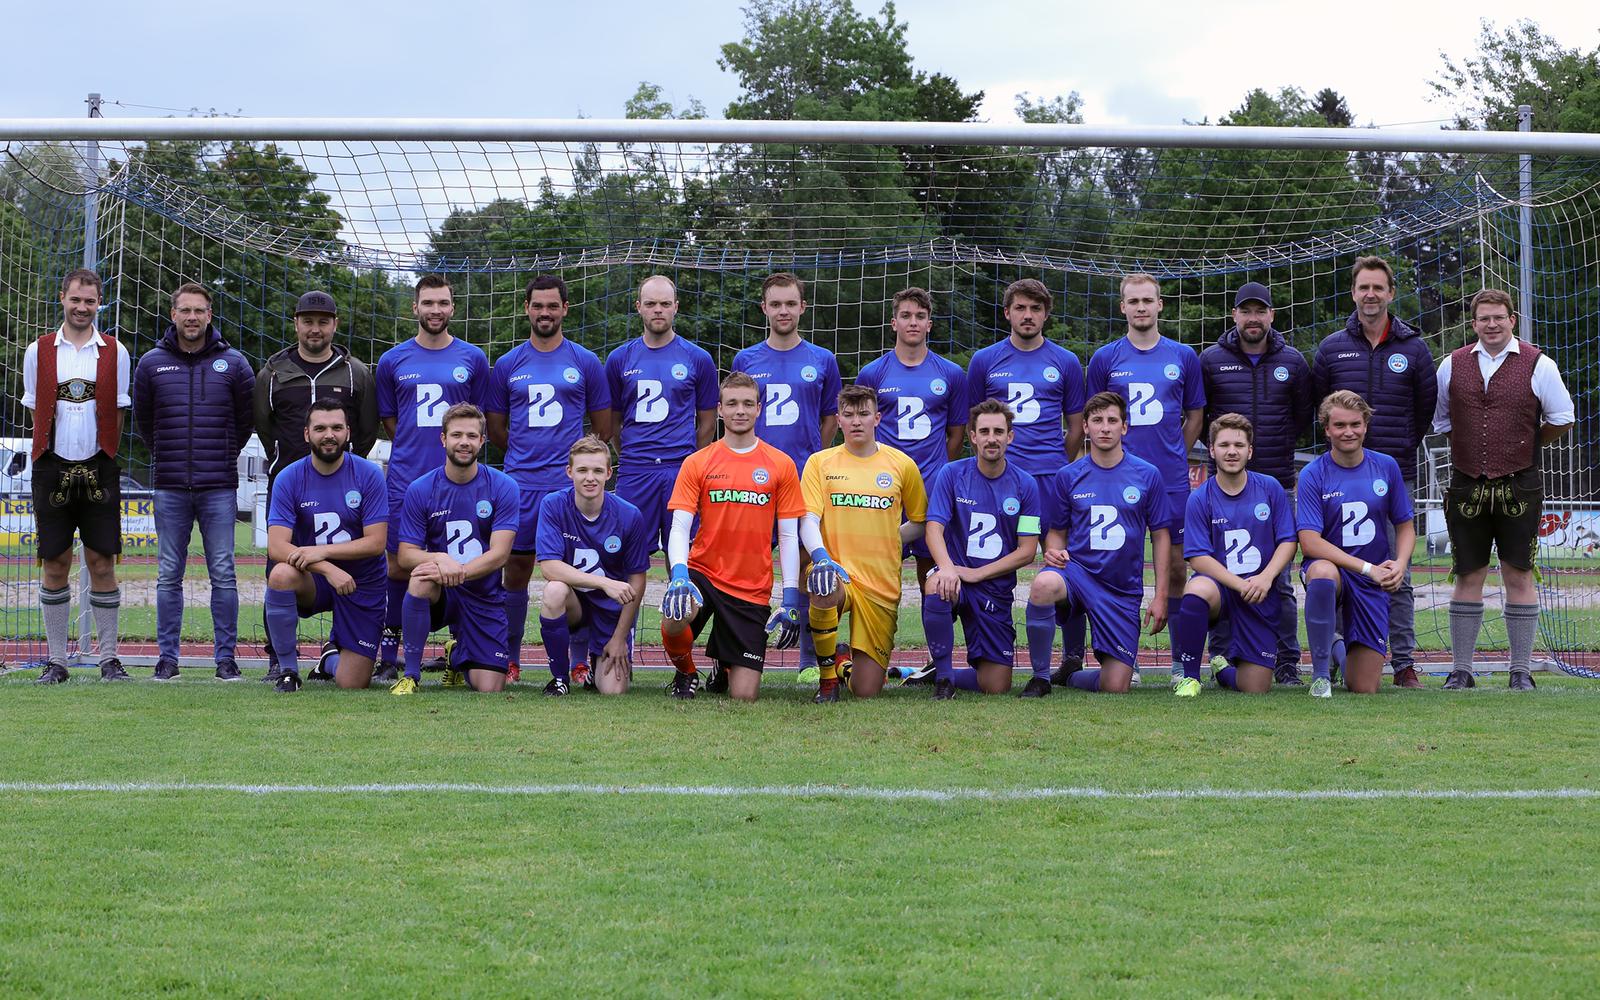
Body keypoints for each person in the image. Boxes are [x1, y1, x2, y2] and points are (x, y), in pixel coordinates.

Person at [1432, 289, 1574, 690]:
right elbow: (1442, 421)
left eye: (1498, 317)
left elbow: (1563, 417)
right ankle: (1461, 670)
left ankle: (1520, 671)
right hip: (1466, 482)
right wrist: (1473, 447)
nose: (1491, 324)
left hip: (1520, 482)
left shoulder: (1539, 363)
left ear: (1512, 319)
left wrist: (1524, 444)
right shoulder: (1452, 363)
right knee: (1468, 573)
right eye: (1484, 318)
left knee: (1519, 573)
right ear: (1473, 323)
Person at [1312, 256, 1436, 687]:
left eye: (1378, 288)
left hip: (1393, 472)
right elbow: (1319, 406)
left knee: (1397, 571)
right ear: (1353, 293)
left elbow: (1424, 411)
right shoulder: (1331, 348)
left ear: (1390, 293)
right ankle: (1332, 652)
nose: (1370, 295)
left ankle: (1403, 662)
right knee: (1336, 567)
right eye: (1363, 287)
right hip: (1339, 476)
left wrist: (1397, 449)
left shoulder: (1414, 349)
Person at [486, 274, 612, 683]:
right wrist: (527, 456)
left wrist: (576, 467)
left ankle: (578, 661)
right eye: (537, 305)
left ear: (565, 309)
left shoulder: (585, 361)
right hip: (521, 484)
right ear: (527, 308)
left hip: (567, 486)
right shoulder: (508, 364)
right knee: (515, 571)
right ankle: (509, 658)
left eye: (552, 305)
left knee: (574, 571)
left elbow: (602, 428)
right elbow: (496, 427)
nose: (545, 312)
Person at [964, 278, 1086, 691]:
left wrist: (1053, 463)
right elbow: (976, 421)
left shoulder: (1066, 361)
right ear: (1007, 313)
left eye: (1035, 308)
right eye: (1020, 308)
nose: (1028, 315)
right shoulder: (984, 360)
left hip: (1049, 479)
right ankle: (977, 653)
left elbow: (1075, 427)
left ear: (1046, 314)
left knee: (1060, 563)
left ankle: (1071, 657)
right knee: (988, 561)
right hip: (997, 482)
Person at [254, 289, 378, 682]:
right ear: (296, 324)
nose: (315, 329)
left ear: (334, 325)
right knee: (280, 570)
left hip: (343, 488)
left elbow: (367, 428)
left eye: (323, 322)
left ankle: (339, 649)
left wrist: (342, 468)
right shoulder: (272, 373)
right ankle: (281, 661)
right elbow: (264, 427)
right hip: (292, 487)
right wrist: (291, 463)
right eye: (307, 321)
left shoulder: (355, 372)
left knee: (354, 570)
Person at [133, 282, 255, 682]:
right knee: (169, 573)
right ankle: (167, 659)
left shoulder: (234, 363)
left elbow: (244, 421)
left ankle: (226, 660)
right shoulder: (151, 363)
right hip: (170, 485)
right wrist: (168, 455)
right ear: (173, 314)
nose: (191, 317)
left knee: (223, 571)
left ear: (209, 315)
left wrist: (220, 454)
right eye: (185, 310)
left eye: (198, 310)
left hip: (218, 485)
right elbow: (145, 422)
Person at [1086, 273, 1204, 687]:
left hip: (1169, 479)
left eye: (1147, 300)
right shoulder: (1105, 358)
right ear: (1123, 307)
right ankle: (1125, 657)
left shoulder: (1184, 356)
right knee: (1122, 566)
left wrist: (1173, 452)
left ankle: (1180, 663)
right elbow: (1095, 415)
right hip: (1117, 479)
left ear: (1160, 305)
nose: (1140, 307)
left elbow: (1195, 415)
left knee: (1176, 568)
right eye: (1133, 301)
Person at [660, 373, 805, 702]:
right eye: (733, 403)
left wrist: (790, 598)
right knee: (675, 615)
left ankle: (725, 666)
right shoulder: (698, 462)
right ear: (720, 409)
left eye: (748, 404)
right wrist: (679, 575)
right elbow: (679, 527)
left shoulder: (781, 464)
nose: (740, 410)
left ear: (759, 409)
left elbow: (787, 536)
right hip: (704, 573)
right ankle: (686, 672)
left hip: (750, 586)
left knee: (744, 696)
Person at [373, 275, 490, 682]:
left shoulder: (473, 358)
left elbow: (475, 419)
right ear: (415, 308)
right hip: (407, 480)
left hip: (460, 482)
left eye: (442, 302)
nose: (435, 310)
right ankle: (390, 655)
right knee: (397, 566)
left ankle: (459, 648)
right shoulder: (392, 360)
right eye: (428, 303)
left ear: (453, 308)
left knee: (461, 558)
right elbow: (392, 421)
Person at [1198, 281, 1313, 685]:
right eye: (1245, 311)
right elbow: (1201, 417)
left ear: (1271, 316)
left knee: (1278, 580)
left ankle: (1286, 659)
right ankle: (1222, 656)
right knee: (1224, 574)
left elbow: (1301, 418)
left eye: (1259, 311)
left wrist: (1269, 451)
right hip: (1223, 488)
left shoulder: (1293, 361)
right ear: (1234, 315)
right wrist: (1228, 456)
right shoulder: (1211, 360)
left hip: (1277, 482)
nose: (1252, 318)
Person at [1024, 391, 1172, 694]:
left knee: (1116, 686)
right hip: (1078, 574)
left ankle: (1071, 677)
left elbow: (1160, 537)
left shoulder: (1148, 475)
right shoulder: (1067, 476)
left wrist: (1160, 596)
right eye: (1097, 420)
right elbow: (1057, 531)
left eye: (1112, 421)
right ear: (1085, 427)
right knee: (1043, 584)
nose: (1105, 427)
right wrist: (1053, 551)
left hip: (1120, 588)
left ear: (1124, 427)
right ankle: (1040, 677)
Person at [25, 269, 133, 683]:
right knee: (55, 562)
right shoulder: (38, 350)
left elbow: (118, 412)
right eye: (76, 299)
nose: (82, 307)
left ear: (99, 303)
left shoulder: (115, 351)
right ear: (62, 299)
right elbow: (35, 410)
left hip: (99, 466)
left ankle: (109, 660)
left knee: (102, 562)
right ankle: (57, 662)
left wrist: (103, 454)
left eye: (90, 301)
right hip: (51, 466)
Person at [730, 272, 841, 673]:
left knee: (811, 567)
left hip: (803, 482)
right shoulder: (746, 360)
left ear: (802, 307)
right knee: (746, 569)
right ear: (764, 308)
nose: (783, 311)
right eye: (775, 304)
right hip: (755, 480)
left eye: (790, 303)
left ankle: (809, 661)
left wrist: (809, 460)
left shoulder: (822, 359)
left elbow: (830, 419)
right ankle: (738, 657)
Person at [800, 385, 927, 701]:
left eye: (863, 413)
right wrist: (822, 558)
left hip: (880, 582)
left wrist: (889, 538)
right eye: (849, 414)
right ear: (838, 420)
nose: (856, 421)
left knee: (866, 690)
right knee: (822, 583)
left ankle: (843, 665)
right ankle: (827, 681)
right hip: (836, 571)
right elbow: (808, 520)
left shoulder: (902, 465)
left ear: (877, 418)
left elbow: (920, 521)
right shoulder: (820, 463)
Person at [390, 404, 519, 694]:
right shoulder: (421, 488)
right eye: (457, 435)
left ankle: (457, 654)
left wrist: (458, 571)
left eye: (472, 436)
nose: (464, 442)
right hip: (442, 592)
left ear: (482, 441)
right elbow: (406, 555)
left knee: (489, 688)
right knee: (420, 578)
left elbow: (500, 554)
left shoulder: (504, 486)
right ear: (443, 439)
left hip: (484, 596)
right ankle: (411, 675)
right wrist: (439, 559)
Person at [261, 398, 388, 692]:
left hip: (362, 580)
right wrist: (327, 568)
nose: (329, 435)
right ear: (307, 434)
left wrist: (323, 551)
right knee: (280, 575)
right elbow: (277, 547)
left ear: (348, 432)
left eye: (336, 428)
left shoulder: (369, 474)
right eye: (320, 428)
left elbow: (376, 542)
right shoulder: (289, 477)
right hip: (316, 579)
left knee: (353, 683)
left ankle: (329, 658)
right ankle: (288, 671)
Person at [1296, 390, 1416, 697]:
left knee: (1364, 687)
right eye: (1339, 425)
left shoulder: (1386, 466)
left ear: (1365, 426)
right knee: (1322, 572)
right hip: (1335, 570)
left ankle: (1336, 645)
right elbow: (1309, 543)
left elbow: (1405, 526)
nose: (1348, 431)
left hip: (1371, 580)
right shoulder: (1312, 474)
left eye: (1355, 424)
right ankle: (1320, 676)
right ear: (1327, 429)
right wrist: (1366, 568)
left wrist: (1400, 564)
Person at [1169, 414, 1298, 696]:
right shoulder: (1200, 498)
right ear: (1212, 450)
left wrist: (1265, 578)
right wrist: (1239, 585)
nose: (1231, 451)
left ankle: (1222, 669)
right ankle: (1190, 678)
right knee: (1196, 589)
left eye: (1239, 445)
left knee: (1256, 688)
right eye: (1224, 445)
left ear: (1250, 451)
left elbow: (1288, 541)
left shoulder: (1270, 488)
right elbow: (1198, 557)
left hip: (1259, 592)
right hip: (1222, 590)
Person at [920, 400, 1042, 699]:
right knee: (935, 584)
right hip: (956, 578)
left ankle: (937, 673)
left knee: (996, 686)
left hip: (993, 588)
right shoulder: (951, 474)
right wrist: (947, 568)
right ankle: (944, 679)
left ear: (1010, 436)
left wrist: (978, 574)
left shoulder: (1026, 485)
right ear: (973, 436)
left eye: (998, 432)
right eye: (984, 431)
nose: (992, 438)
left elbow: (1027, 551)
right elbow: (933, 529)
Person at [856, 286, 968, 587]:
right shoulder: (872, 373)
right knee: (880, 563)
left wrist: (938, 471)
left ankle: (931, 620)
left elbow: (957, 434)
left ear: (929, 324)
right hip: (884, 483)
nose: (913, 322)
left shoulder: (951, 373)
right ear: (894, 323)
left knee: (931, 567)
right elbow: (861, 428)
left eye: (920, 316)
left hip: (931, 483)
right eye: (906, 316)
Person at [605, 274, 718, 554]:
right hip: (634, 469)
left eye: (665, 304)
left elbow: (708, 422)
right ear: (638, 307)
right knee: (629, 555)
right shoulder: (619, 359)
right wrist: (630, 454)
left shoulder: (698, 358)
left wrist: (690, 462)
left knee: (683, 553)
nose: (658, 310)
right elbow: (613, 422)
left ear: (676, 307)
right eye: (651, 303)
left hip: (680, 470)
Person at [534, 436, 650, 696]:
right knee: (554, 590)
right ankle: (560, 678)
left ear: (609, 473)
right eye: (582, 470)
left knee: (613, 691)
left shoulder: (629, 515)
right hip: (574, 603)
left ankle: (596, 669)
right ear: (569, 472)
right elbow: (549, 567)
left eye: (597, 470)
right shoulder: (553, 505)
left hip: (610, 610)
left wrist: (619, 638)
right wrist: (604, 582)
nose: (590, 478)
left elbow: (637, 581)